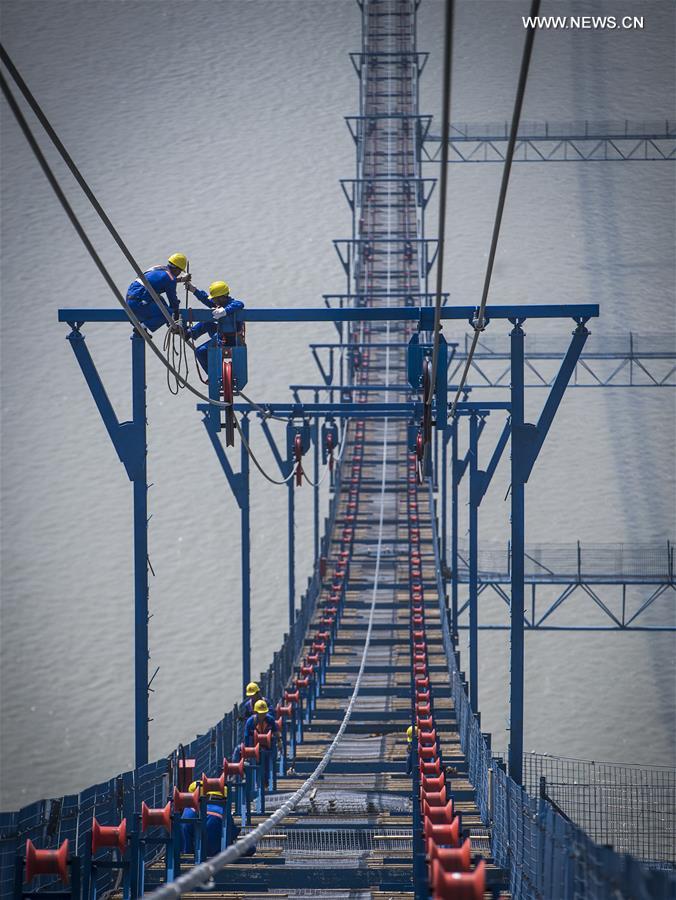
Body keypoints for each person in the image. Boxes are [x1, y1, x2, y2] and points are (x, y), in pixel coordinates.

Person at [125, 252, 210, 331]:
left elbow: (160, 280)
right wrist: (175, 315)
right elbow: (173, 301)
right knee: (168, 314)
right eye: (180, 271)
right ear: (177, 269)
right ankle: (141, 328)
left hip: (131, 299)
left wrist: (180, 279)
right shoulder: (170, 279)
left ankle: (158, 324)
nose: (179, 273)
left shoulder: (158, 268)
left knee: (161, 301)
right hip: (139, 304)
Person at [185, 280, 245, 372]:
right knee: (207, 323)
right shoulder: (219, 304)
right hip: (221, 336)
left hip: (232, 340)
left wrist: (225, 311)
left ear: (222, 297)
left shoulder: (232, 304)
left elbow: (239, 304)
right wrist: (194, 290)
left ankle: (212, 374)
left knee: (200, 352)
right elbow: (206, 299)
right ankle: (190, 333)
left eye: (214, 298)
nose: (213, 300)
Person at [180, 780, 231, 858]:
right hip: (216, 855)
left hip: (190, 852)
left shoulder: (188, 811)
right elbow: (231, 833)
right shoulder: (222, 811)